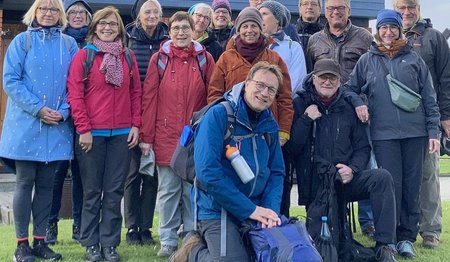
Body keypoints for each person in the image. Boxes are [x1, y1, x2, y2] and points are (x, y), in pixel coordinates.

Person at [343, 9, 440, 259]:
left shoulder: (415, 60)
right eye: (384, 28)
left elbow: (430, 99)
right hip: (383, 135)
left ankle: (407, 237)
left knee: (412, 187)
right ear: (378, 31)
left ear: (399, 30)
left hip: (415, 134)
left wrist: (432, 131)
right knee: (391, 187)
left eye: (393, 28)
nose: (388, 32)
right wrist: (358, 103)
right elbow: (349, 89)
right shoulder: (367, 60)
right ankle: (391, 238)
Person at [170, 61, 285, 262]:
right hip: (216, 208)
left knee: (275, 255)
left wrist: (270, 211)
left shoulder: (269, 124)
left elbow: (276, 172)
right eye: (260, 85)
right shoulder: (218, 115)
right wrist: (250, 210)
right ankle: (193, 253)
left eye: (271, 90)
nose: (264, 93)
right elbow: (207, 174)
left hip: (256, 207)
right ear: (247, 82)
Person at [286, 58, 397, 262]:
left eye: (332, 78)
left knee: (382, 178)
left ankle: (385, 246)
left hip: (345, 179)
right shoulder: (299, 103)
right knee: (330, 248)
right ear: (314, 78)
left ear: (339, 81)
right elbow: (292, 147)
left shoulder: (348, 106)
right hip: (315, 185)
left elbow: (363, 148)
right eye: (323, 77)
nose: (327, 82)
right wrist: (306, 120)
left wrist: (352, 169)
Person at [0, 0, 78, 260]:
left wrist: (64, 111)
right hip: (25, 126)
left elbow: (76, 84)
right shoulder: (22, 42)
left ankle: (40, 242)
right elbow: (11, 80)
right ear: (34, 12)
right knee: (24, 182)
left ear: (61, 15)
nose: (48, 13)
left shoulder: (69, 45)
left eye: (54, 9)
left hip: (56, 127)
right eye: (43, 8)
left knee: (47, 185)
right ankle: (21, 245)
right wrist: (38, 109)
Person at [67, 6, 142, 262]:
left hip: (121, 133)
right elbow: (75, 95)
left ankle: (109, 243)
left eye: (112, 24)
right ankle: (90, 243)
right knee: (91, 192)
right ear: (95, 27)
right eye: (103, 24)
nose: (108, 28)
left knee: (113, 192)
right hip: (92, 134)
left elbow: (136, 93)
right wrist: (84, 129)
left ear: (119, 28)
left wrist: (135, 124)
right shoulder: (84, 57)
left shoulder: (128, 57)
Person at [140, 11, 215, 258]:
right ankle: (168, 240)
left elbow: (213, 98)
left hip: (196, 137)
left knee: (191, 190)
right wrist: (147, 137)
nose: (181, 33)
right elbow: (149, 99)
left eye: (186, 28)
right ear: (169, 32)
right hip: (166, 135)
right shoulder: (158, 60)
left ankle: (191, 238)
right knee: (169, 190)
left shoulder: (205, 59)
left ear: (194, 31)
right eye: (176, 29)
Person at [394, 0, 450, 249]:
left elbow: (447, 78)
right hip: (394, 122)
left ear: (418, 10)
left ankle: (430, 230)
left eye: (411, 8)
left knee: (428, 176)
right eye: (401, 8)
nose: (406, 13)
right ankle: (404, 228)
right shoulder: (387, 36)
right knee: (402, 177)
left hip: (428, 118)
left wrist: (445, 116)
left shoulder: (434, 38)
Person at [208, 7, 294, 149]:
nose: (249, 30)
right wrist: (219, 123)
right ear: (238, 30)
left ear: (260, 28)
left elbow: (284, 97)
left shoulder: (274, 58)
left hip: (266, 128)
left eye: (254, 26)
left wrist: (283, 130)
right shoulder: (226, 58)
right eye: (245, 26)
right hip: (232, 128)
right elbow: (214, 93)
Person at [45, 0, 92, 245]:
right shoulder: (60, 43)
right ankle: (50, 224)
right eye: (72, 12)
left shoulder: (95, 43)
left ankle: (79, 224)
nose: (76, 16)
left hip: (87, 117)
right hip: (62, 116)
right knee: (57, 173)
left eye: (81, 13)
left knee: (82, 177)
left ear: (88, 17)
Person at [124, 0, 168, 246]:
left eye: (156, 12)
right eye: (147, 12)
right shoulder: (128, 39)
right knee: (132, 175)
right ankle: (131, 227)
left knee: (151, 175)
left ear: (161, 16)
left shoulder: (167, 40)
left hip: (159, 116)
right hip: (132, 114)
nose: (151, 15)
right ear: (139, 16)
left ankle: (146, 227)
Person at [258, 1, 306, 217]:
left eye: (265, 13)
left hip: (280, 119)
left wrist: (266, 97)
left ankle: (281, 217)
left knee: (280, 172)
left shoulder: (292, 47)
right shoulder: (253, 46)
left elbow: (294, 83)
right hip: (253, 119)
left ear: (277, 20)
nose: (260, 18)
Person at [306, 0, 372, 82]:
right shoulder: (314, 40)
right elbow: (310, 73)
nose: (336, 12)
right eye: (331, 8)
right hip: (323, 94)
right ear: (326, 12)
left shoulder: (364, 37)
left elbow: (372, 72)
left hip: (354, 94)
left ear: (349, 11)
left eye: (341, 8)